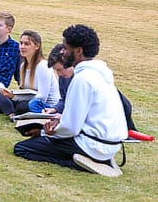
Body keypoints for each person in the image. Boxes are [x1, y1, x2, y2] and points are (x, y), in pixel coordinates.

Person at [14, 25, 128, 177]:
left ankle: (82, 162)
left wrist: (44, 132)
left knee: (22, 148)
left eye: (66, 48)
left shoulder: (82, 79)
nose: (64, 52)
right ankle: (101, 159)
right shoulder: (101, 74)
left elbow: (71, 129)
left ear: (78, 51)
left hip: (92, 145)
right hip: (110, 144)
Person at [0, 30, 59, 120]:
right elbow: (25, 90)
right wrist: (12, 95)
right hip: (28, 100)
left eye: (26, 44)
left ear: (37, 46)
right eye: (21, 43)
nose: (22, 47)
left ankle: (12, 111)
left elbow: (42, 97)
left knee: (23, 106)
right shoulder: (23, 66)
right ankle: (12, 113)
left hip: (44, 105)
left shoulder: (43, 67)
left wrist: (15, 97)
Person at [29, 43, 72, 114]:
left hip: (74, 113)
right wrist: (54, 109)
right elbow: (63, 100)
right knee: (33, 104)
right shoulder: (63, 78)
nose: (59, 74)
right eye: (56, 70)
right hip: (63, 110)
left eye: (60, 69)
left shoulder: (80, 79)